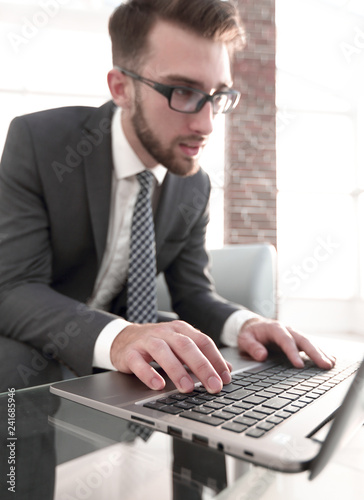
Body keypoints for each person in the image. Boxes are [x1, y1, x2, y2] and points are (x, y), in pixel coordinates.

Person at [0, 0, 335, 393]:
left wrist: (248, 324)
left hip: (121, 319)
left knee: (201, 349)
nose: (206, 124)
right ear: (121, 88)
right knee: (16, 360)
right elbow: (15, 287)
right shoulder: (42, 143)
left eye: (217, 95)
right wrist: (121, 337)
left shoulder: (194, 183)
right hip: (45, 325)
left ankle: (218, 447)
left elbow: (193, 293)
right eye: (182, 91)